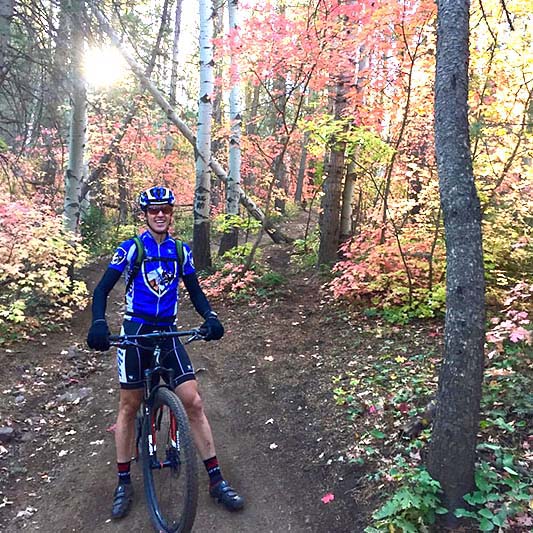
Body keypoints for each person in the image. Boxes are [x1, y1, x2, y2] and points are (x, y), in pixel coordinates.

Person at [86, 186, 244, 519]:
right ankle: (124, 482)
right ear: (145, 214)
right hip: (136, 333)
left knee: (194, 401)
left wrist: (211, 317)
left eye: (166, 210)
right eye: (154, 210)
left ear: (172, 214)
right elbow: (101, 290)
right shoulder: (131, 249)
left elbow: (197, 294)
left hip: (168, 331)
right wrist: (99, 322)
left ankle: (216, 480)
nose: (160, 215)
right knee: (129, 406)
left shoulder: (181, 251)